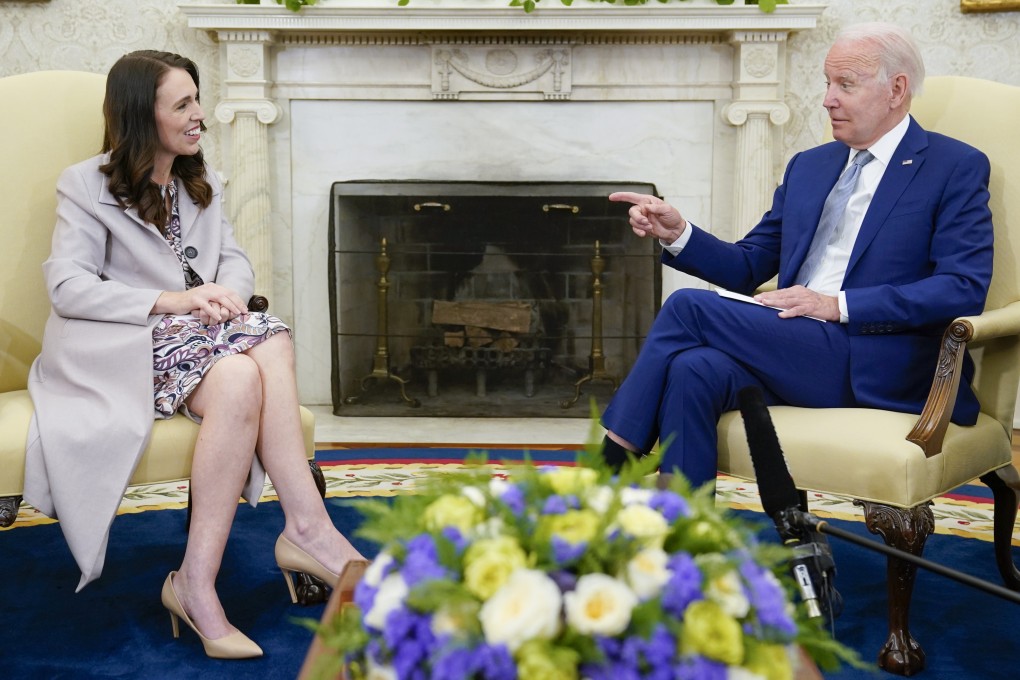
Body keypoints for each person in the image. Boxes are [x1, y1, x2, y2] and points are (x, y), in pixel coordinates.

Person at [22, 50, 367, 659]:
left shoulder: (202, 181)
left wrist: (225, 295)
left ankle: (204, 577)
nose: (199, 115)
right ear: (140, 116)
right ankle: (299, 535)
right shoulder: (84, 184)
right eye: (182, 104)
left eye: (196, 99)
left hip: (203, 334)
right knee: (252, 358)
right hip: (125, 341)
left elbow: (231, 257)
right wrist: (174, 301)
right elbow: (68, 288)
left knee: (258, 347)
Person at [600, 22, 993, 488]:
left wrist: (836, 306)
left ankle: (611, 463)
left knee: (688, 306)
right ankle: (684, 532)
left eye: (845, 84)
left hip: (873, 358)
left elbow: (962, 287)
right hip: (793, 347)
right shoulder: (810, 166)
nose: (828, 98)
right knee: (693, 369)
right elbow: (748, 266)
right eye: (827, 83)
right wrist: (679, 232)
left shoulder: (953, 167)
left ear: (897, 89)